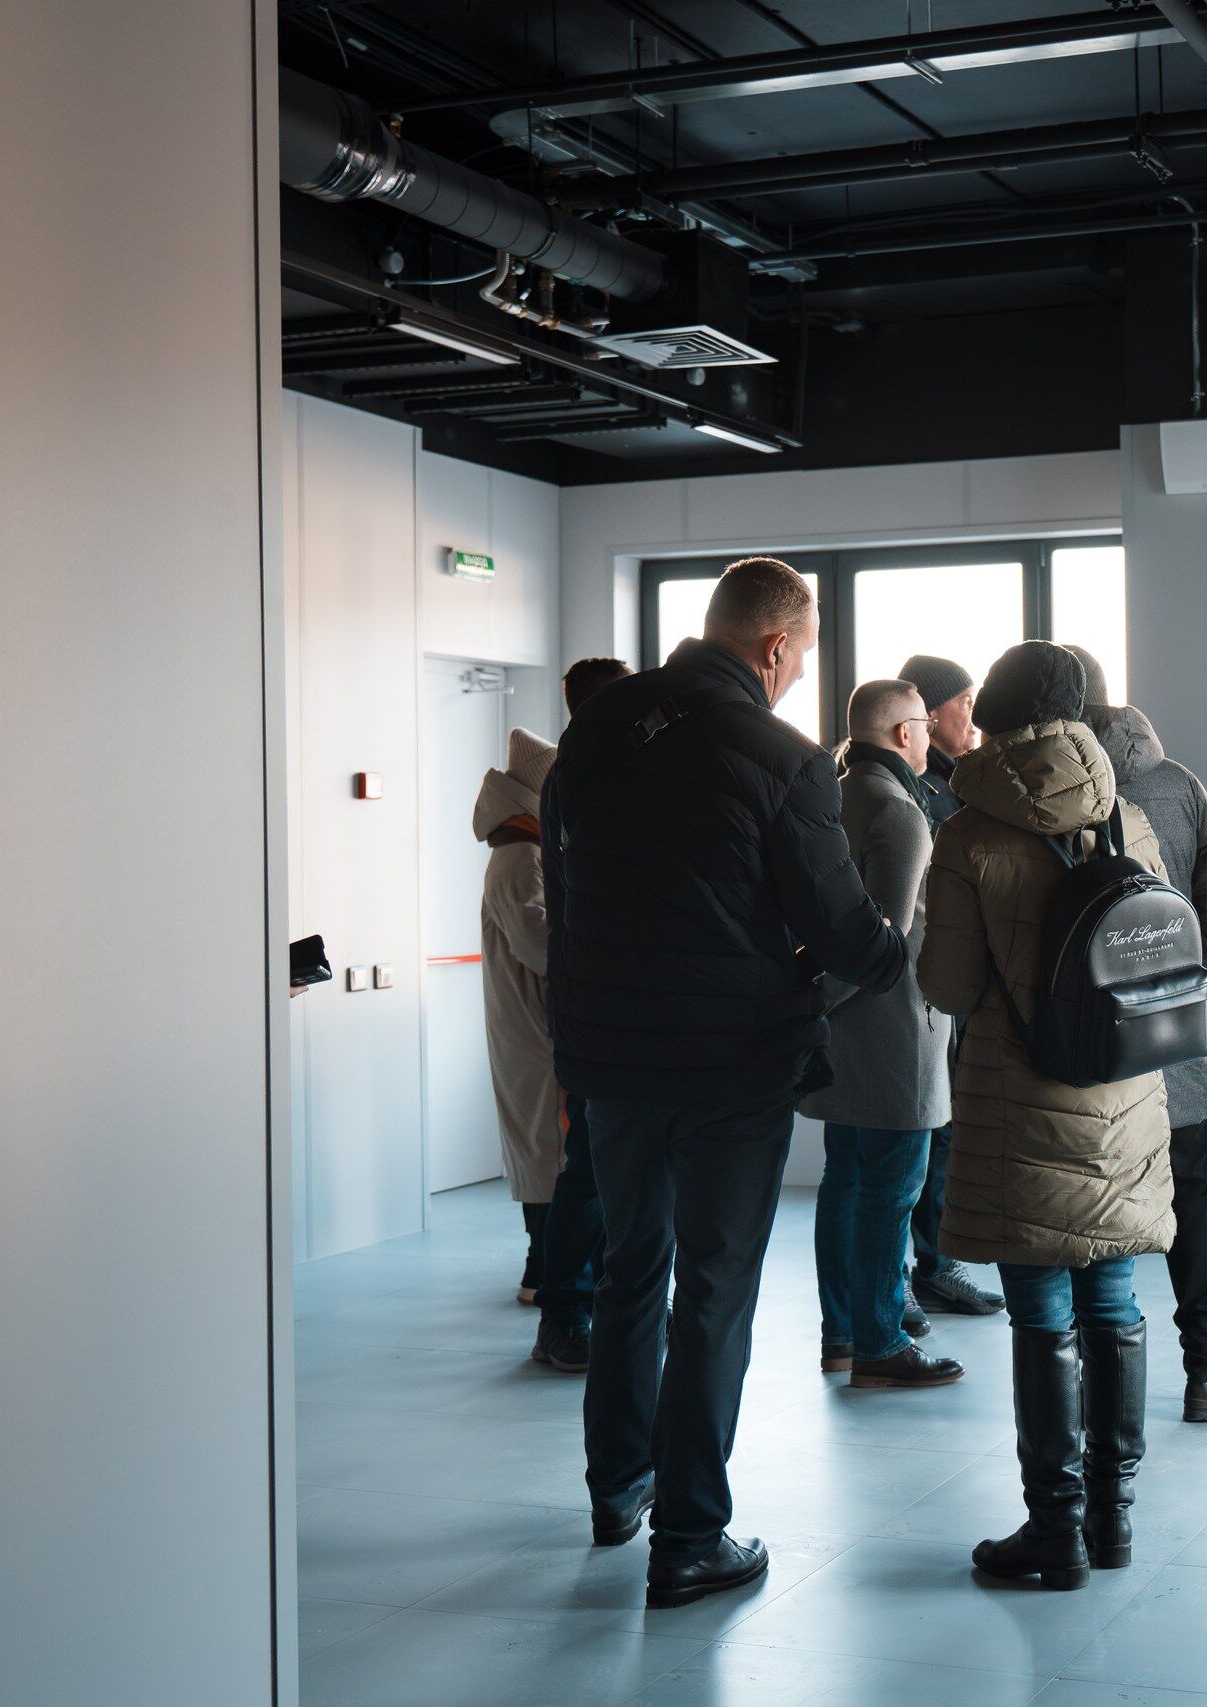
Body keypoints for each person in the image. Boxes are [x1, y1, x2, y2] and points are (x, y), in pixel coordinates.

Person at [543, 559, 907, 1609]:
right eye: (802, 656)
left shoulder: (596, 729)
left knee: (630, 1268)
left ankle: (619, 1488)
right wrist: (890, 950)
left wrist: (579, 1033)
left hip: (612, 1056)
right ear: (776, 645)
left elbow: (562, 896)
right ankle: (690, 1537)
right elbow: (841, 929)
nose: (798, 676)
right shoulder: (782, 758)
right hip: (732, 1065)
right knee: (713, 1288)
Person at [917, 642, 1175, 1591]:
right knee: (1114, 1296)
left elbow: (949, 985)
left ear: (992, 713)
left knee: (1040, 1309)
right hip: (1122, 1091)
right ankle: (1114, 1516)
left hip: (1021, 1098)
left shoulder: (967, 835)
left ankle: (1055, 1527)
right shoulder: (1127, 817)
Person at [1070, 646, 1207, 1423]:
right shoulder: (1177, 784)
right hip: (1172, 1045)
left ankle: (1089, 1385)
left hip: (1081, 1052)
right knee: (1192, 1207)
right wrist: (1180, 976)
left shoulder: (1044, 793)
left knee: (1086, 1215)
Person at [802, 681, 965, 1390]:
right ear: (903, 733)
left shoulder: (833, 796)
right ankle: (878, 1341)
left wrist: (812, 1004)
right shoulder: (900, 809)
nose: (930, 736)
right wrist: (823, 1001)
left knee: (844, 1181)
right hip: (895, 1031)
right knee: (890, 1191)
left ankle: (842, 1334)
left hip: (839, 1031)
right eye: (924, 724)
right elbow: (886, 943)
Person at [894, 653, 1004, 1322]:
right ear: (929, 715)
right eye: (965, 702)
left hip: (953, 984)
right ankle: (918, 1274)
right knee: (923, 1137)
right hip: (925, 986)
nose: (975, 716)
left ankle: (936, 1266)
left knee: (945, 1132)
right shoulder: (919, 792)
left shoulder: (958, 783)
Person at [529, 656, 631, 1373]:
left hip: (608, 1001)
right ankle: (563, 1312)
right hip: (596, 1003)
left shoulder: (593, 771)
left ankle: (600, 1303)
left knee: (611, 1166)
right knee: (591, 1168)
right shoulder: (578, 777)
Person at [473, 726, 563, 1308]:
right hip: (534, 1027)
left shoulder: (524, 852)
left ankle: (548, 1266)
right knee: (545, 1145)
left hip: (532, 1023)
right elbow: (541, 946)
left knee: (545, 1143)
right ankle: (544, 1268)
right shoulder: (520, 857)